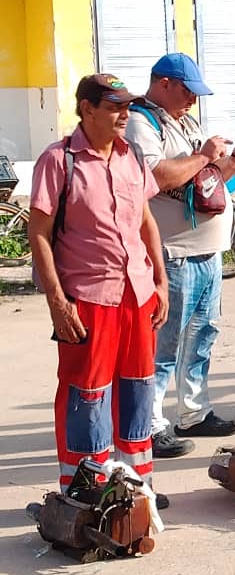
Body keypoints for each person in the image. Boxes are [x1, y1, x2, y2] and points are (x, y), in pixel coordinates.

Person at [27, 74, 171, 507]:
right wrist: (57, 301)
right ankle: (85, 490)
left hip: (137, 294)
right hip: (88, 297)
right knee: (86, 396)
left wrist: (160, 281)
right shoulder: (58, 160)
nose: (124, 115)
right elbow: (38, 233)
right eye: (114, 106)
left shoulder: (131, 157)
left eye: (128, 106)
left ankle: (134, 485)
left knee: (137, 389)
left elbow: (146, 221)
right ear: (87, 109)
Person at [124, 53, 235, 458]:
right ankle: (151, 422)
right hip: (172, 252)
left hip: (207, 251)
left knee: (202, 334)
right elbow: (158, 177)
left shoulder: (183, 122)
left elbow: (203, 185)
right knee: (165, 341)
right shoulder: (141, 122)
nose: (193, 102)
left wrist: (230, 164)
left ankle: (194, 411)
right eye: (187, 92)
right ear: (163, 84)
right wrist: (205, 156)